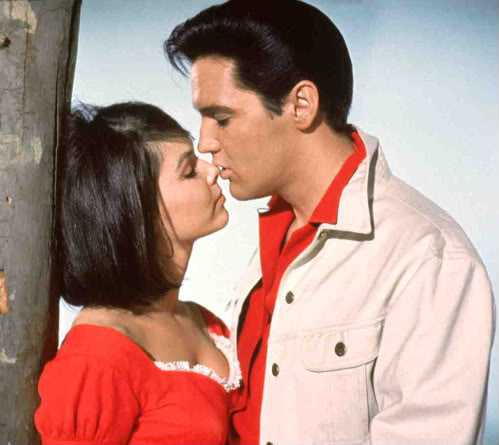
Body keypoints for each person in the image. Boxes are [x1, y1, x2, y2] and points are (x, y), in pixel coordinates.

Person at [165, 1, 496, 444]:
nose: (205, 142)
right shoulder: (274, 237)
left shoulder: (427, 259)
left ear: (301, 104)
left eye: (222, 118)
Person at [35, 102, 241, 445]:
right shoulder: (95, 357)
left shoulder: (205, 322)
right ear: (136, 210)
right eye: (189, 171)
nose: (212, 170)